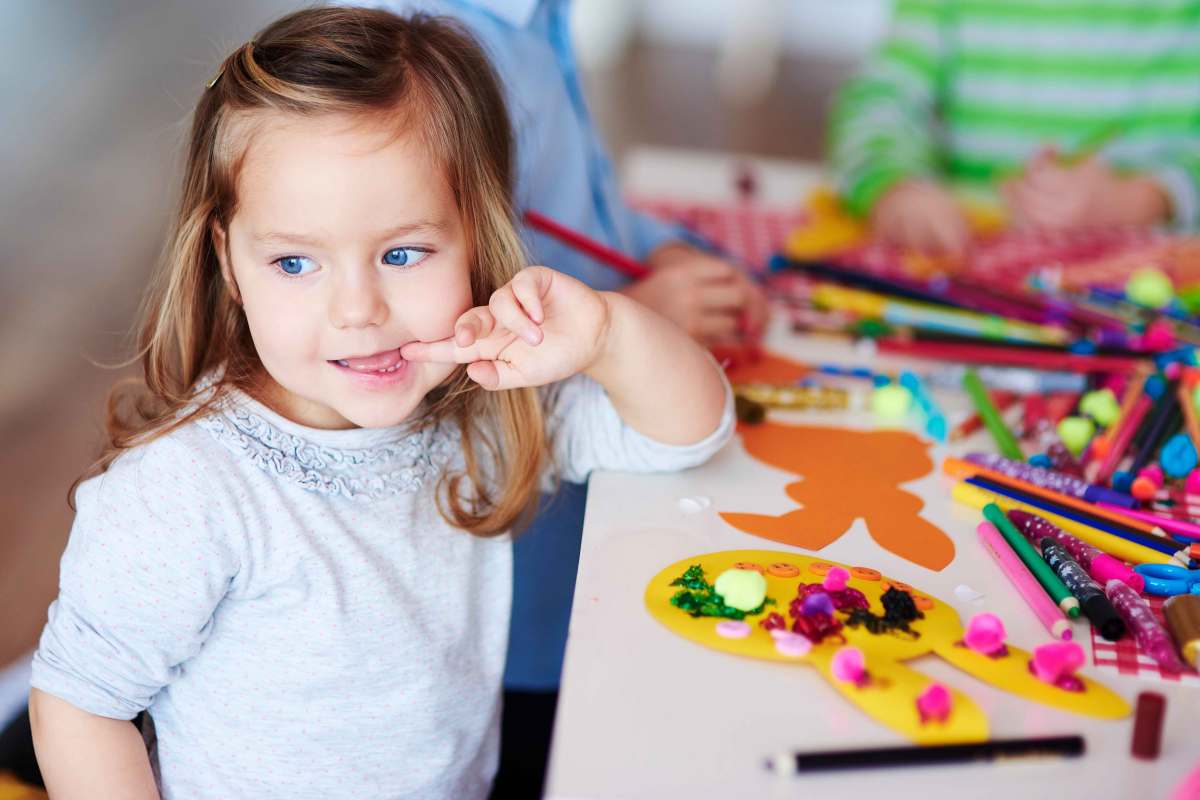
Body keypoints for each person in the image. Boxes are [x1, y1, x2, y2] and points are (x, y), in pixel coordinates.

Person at [26, 8, 733, 799]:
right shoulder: (187, 490)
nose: (356, 309)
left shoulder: (485, 412)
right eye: (296, 263)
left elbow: (687, 431)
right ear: (229, 263)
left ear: (478, 239)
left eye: (402, 253)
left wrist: (605, 332)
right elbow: (80, 706)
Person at [361, 2, 768, 795]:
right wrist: (638, 310)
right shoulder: (437, 47)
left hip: (589, 492)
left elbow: (576, 203)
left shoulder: (531, 18)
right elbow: (448, 312)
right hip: (513, 593)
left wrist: (663, 254)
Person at [828, 0, 1200, 256]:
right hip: (971, 272)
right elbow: (879, 99)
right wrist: (896, 187)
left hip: (1149, 296)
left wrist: (1140, 199)